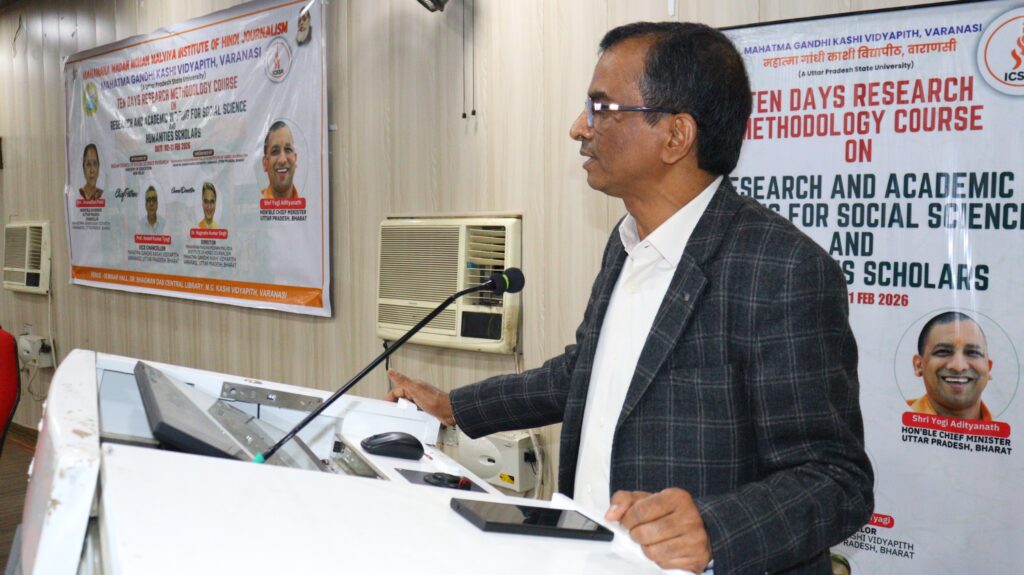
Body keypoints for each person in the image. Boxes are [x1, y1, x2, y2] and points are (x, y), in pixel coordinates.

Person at [387, 22, 872, 574]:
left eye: (601, 107)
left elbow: (838, 480)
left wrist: (714, 530)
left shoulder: (782, 269)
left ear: (675, 136)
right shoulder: (625, 245)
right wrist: (454, 407)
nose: (579, 128)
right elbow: (585, 374)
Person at [907, 311, 993, 421]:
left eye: (972, 352)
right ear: (918, 365)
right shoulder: (893, 420)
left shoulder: (1009, 428)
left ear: (988, 368)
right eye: (943, 352)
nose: (958, 366)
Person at [261, 121, 300, 200]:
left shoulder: (310, 203)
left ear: (295, 159)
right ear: (265, 163)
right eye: (275, 151)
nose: (282, 160)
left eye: (288, 150)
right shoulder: (255, 203)